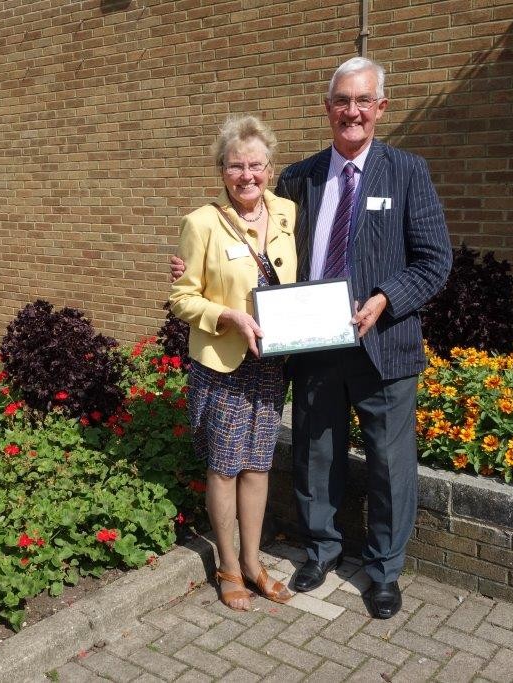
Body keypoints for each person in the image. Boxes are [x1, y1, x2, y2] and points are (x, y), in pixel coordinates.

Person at [171, 57, 451, 619]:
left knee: (389, 466)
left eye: (363, 101)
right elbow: (253, 238)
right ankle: (319, 551)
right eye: (341, 101)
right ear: (327, 109)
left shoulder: (407, 171)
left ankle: (383, 572)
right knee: (315, 454)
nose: (352, 112)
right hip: (313, 345)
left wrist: (384, 298)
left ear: (380, 108)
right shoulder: (299, 177)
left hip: (384, 346)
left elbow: (434, 260)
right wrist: (188, 271)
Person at [169, 114, 297, 611]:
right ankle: (226, 566)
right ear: (221, 170)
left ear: (270, 167)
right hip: (223, 362)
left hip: (271, 360)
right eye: (236, 166)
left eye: (257, 165)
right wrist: (229, 317)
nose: (248, 175)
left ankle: (253, 561)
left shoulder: (286, 213)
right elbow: (182, 297)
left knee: (258, 466)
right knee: (224, 468)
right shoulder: (200, 223)